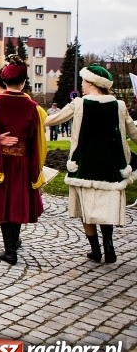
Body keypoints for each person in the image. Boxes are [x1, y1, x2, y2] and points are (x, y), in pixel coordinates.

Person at [43, 65, 137, 264]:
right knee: (105, 209)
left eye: (84, 81)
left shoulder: (79, 104)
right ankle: (109, 246)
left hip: (84, 165)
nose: (83, 85)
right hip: (111, 166)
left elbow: (51, 120)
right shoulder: (119, 105)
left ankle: (95, 251)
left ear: (92, 83)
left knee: (87, 210)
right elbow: (133, 132)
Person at [0, 56, 47, 265]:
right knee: (17, 201)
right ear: (23, 82)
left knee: (3, 203)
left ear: (3, 81)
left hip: (0, 161)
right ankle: (14, 243)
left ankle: (10, 250)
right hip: (22, 162)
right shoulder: (34, 107)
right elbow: (38, 136)